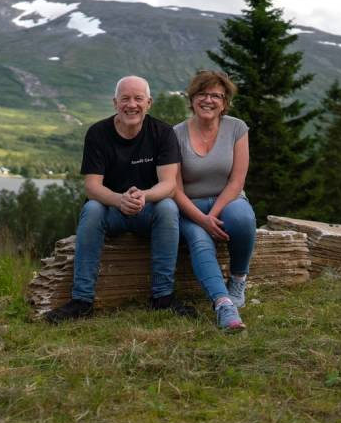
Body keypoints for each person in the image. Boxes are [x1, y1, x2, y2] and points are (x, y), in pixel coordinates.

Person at [45, 75, 197, 323]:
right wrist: (118, 200)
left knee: (168, 207)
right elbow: (92, 187)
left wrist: (143, 196)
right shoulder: (98, 133)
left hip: (147, 211)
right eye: (125, 99)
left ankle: (163, 297)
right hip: (111, 213)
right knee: (92, 208)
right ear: (115, 102)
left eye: (138, 99)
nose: (132, 105)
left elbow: (169, 185)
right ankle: (82, 301)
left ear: (149, 103)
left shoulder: (163, 132)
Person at [173, 70, 256, 332]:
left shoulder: (237, 128)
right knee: (199, 239)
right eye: (202, 94)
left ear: (225, 102)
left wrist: (214, 215)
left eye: (216, 96)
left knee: (242, 218)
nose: (208, 100)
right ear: (192, 98)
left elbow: (236, 181)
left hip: (228, 199)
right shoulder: (175, 134)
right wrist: (202, 220)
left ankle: (238, 279)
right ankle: (224, 307)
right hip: (189, 205)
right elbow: (174, 189)